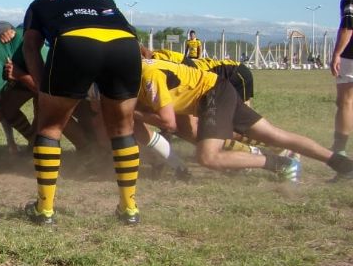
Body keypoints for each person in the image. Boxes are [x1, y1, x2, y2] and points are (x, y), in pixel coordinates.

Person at [23, 0, 142, 226]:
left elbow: (30, 46)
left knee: (50, 127)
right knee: (123, 129)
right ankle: (129, 208)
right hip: (126, 45)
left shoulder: (40, 1)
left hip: (74, 41)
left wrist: (43, 88)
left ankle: (44, 210)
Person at [135, 58, 353, 182]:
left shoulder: (148, 74)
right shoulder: (136, 70)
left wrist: (131, 113)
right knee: (274, 135)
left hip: (211, 93)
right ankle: (341, 163)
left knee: (208, 157)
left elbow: (168, 122)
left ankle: (281, 164)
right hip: (216, 89)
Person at [330, 0, 353, 156]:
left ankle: (339, 150)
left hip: (350, 56)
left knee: (345, 101)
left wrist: (337, 54)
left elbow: (347, 26)